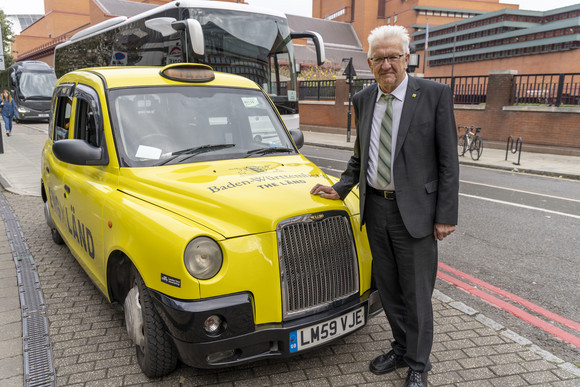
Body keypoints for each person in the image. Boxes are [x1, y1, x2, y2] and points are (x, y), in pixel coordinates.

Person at [310, 25, 459, 387]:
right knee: (389, 288)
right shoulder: (363, 100)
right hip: (376, 209)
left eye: (394, 56)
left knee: (417, 293)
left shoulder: (434, 95)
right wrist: (341, 188)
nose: (387, 64)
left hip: (417, 215)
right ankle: (401, 347)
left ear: (407, 58)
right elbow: (360, 156)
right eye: (379, 58)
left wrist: (445, 215)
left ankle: (419, 366)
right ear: (370, 62)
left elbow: (448, 161)